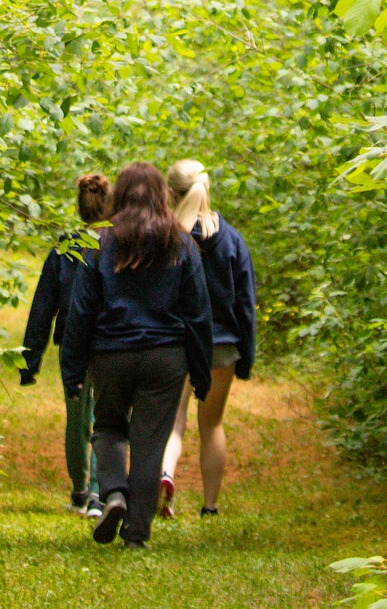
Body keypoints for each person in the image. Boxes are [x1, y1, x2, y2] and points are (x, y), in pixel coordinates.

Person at [59, 161, 213, 549]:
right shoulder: (181, 243)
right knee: (149, 443)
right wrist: (201, 372)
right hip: (165, 357)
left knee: (109, 426)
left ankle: (112, 493)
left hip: (110, 354)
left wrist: (72, 370)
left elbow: (80, 310)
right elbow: (197, 313)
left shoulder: (100, 243)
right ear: (163, 195)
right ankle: (137, 536)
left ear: (119, 195)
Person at [158, 159, 256, 519]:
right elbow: (245, 302)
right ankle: (210, 505)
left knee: (174, 420)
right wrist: (246, 354)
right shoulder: (231, 240)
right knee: (211, 423)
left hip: (177, 342)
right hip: (222, 345)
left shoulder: (167, 240)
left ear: (170, 193)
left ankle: (165, 475)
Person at [20, 171, 112, 517]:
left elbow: (43, 307)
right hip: (108, 342)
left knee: (78, 418)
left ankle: (80, 489)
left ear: (80, 207)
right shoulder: (117, 246)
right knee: (106, 416)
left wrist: (30, 361)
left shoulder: (65, 248)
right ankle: (98, 492)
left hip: (73, 343)